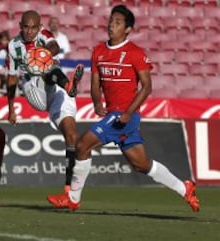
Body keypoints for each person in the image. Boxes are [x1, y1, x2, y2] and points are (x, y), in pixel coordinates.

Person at [47, 5, 200, 212]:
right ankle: (184, 188)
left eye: (118, 22)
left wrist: (128, 113)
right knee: (141, 164)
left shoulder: (135, 53)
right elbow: (95, 82)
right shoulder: (99, 51)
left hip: (125, 115)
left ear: (127, 29)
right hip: (113, 115)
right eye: (111, 21)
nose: (112, 25)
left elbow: (147, 87)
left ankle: (72, 198)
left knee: (82, 146)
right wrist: (96, 101)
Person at [6, 10, 84, 194]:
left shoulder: (44, 35)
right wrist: (11, 109)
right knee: (45, 68)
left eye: (33, 27)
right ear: (20, 26)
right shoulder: (13, 46)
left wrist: (40, 54)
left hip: (58, 90)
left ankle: (68, 190)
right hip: (34, 90)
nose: (30, 31)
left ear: (40, 27)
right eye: (26, 27)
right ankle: (67, 84)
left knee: (72, 136)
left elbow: (55, 47)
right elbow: (11, 80)